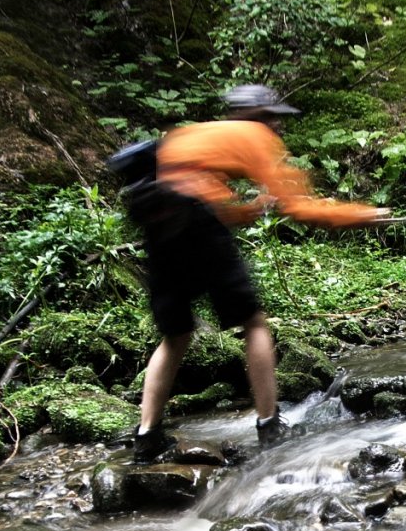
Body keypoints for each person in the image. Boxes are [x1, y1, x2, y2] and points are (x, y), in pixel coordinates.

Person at [132, 84, 388, 463]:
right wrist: (360, 215)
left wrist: (247, 210)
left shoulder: (191, 135)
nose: (276, 126)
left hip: (156, 225)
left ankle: (147, 435)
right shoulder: (254, 137)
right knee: (253, 322)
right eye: (273, 118)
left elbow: (199, 196)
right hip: (196, 221)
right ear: (260, 116)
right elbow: (297, 207)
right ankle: (270, 425)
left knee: (175, 334)